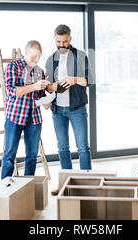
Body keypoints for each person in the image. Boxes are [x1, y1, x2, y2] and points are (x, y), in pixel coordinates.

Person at [45, 25, 94, 195]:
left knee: (82, 147)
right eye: (58, 41)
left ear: (70, 39)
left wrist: (74, 79)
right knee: (62, 148)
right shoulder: (51, 59)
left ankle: (88, 186)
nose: (62, 44)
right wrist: (52, 87)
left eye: (65, 41)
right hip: (58, 111)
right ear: (55, 39)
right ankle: (66, 186)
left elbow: (89, 80)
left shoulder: (80, 56)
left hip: (77, 109)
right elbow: (48, 88)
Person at [1, 40, 50, 179]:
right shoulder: (13, 66)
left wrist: (48, 100)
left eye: (39, 56)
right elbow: (12, 90)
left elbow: (40, 97)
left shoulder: (40, 71)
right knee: (9, 155)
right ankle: (4, 189)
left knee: (32, 157)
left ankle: (27, 188)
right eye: (34, 55)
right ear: (26, 52)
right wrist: (35, 86)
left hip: (34, 119)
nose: (37, 59)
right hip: (15, 117)